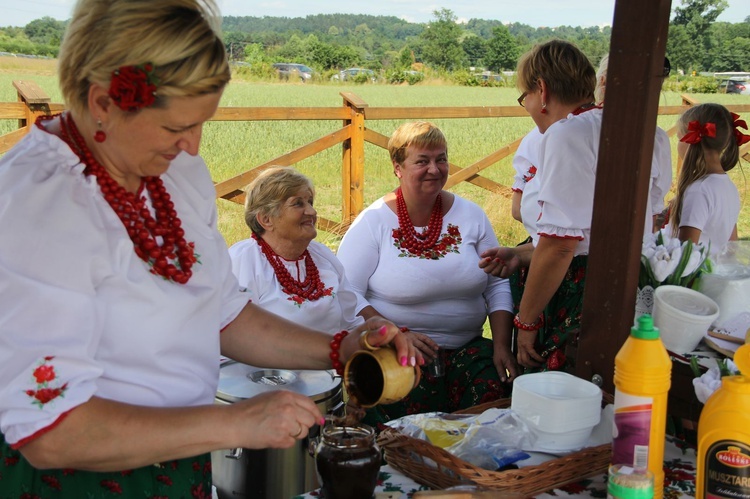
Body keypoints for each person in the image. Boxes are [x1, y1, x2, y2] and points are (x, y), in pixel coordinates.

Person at [0, 1, 412, 496]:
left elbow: (222, 314)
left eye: (201, 124)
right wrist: (236, 424)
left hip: (177, 460)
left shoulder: (173, 172)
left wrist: (340, 349)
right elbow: (52, 431)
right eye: (176, 127)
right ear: (104, 102)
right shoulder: (39, 201)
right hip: (77, 480)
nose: (193, 147)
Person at [336, 121, 517, 427]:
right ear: (398, 167)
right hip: (397, 352)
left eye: (441, 159)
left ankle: (471, 474)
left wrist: (501, 344)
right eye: (422, 161)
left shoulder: (472, 216)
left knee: (491, 408)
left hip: (466, 348)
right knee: (405, 424)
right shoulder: (373, 222)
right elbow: (345, 293)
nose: (434, 169)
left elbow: (497, 284)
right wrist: (394, 334)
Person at [479, 40, 607, 373]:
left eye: (526, 97)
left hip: (577, 290)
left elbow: (561, 247)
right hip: (621, 281)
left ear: (543, 89)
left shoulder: (566, 134)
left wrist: (527, 322)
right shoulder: (626, 128)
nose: (527, 106)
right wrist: (522, 254)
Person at [229, 166, 369, 332]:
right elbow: (237, 339)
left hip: (335, 356)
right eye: (297, 204)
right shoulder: (243, 261)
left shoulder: (322, 256)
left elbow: (351, 322)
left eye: (310, 202)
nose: (312, 211)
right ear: (266, 219)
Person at [596, 54, 673, 232]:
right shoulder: (657, 138)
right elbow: (654, 206)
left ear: (602, 81)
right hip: (636, 240)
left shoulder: (577, 129)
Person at [666, 103, 747, 254]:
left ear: (690, 140)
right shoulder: (728, 186)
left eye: (679, 138)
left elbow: (684, 256)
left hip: (696, 277)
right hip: (713, 274)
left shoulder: (699, 190)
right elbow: (731, 246)